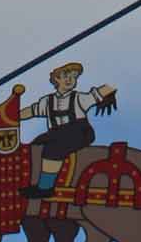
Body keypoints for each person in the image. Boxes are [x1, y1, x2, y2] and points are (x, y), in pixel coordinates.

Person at [20, 61, 117, 193]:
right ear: (57, 79)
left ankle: (45, 188)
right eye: (66, 76)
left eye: (74, 77)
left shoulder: (79, 98)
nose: (70, 80)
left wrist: (112, 87)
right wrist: (12, 116)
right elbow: (31, 111)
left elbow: (98, 93)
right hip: (56, 133)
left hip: (79, 132)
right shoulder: (47, 101)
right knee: (35, 145)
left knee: (53, 149)